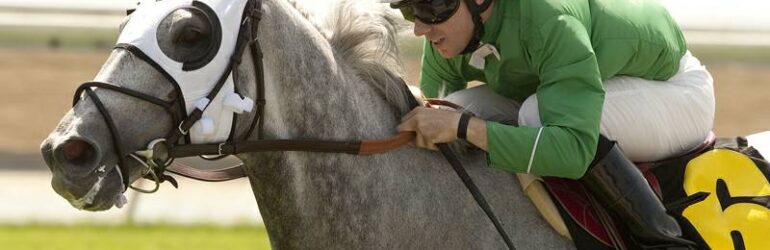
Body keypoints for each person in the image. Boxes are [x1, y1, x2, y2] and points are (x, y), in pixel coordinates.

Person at [388, 0, 714, 248]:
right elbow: (433, 115)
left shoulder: (549, 17)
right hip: (576, 82)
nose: (419, 28)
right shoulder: (452, 33)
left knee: (535, 115)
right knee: (455, 106)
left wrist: (466, 129)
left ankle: (663, 238)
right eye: (410, 10)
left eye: (430, 8)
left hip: (674, 92)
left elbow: (573, 150)